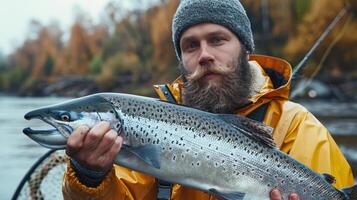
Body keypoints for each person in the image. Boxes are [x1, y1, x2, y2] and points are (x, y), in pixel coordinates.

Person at [62, 0, 355, 199]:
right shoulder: (145, 127)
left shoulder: (298, 126)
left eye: (217, 39)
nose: (204, 55)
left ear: (245, 50)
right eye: (191, 46)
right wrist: (89, 178)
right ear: (182, 59)